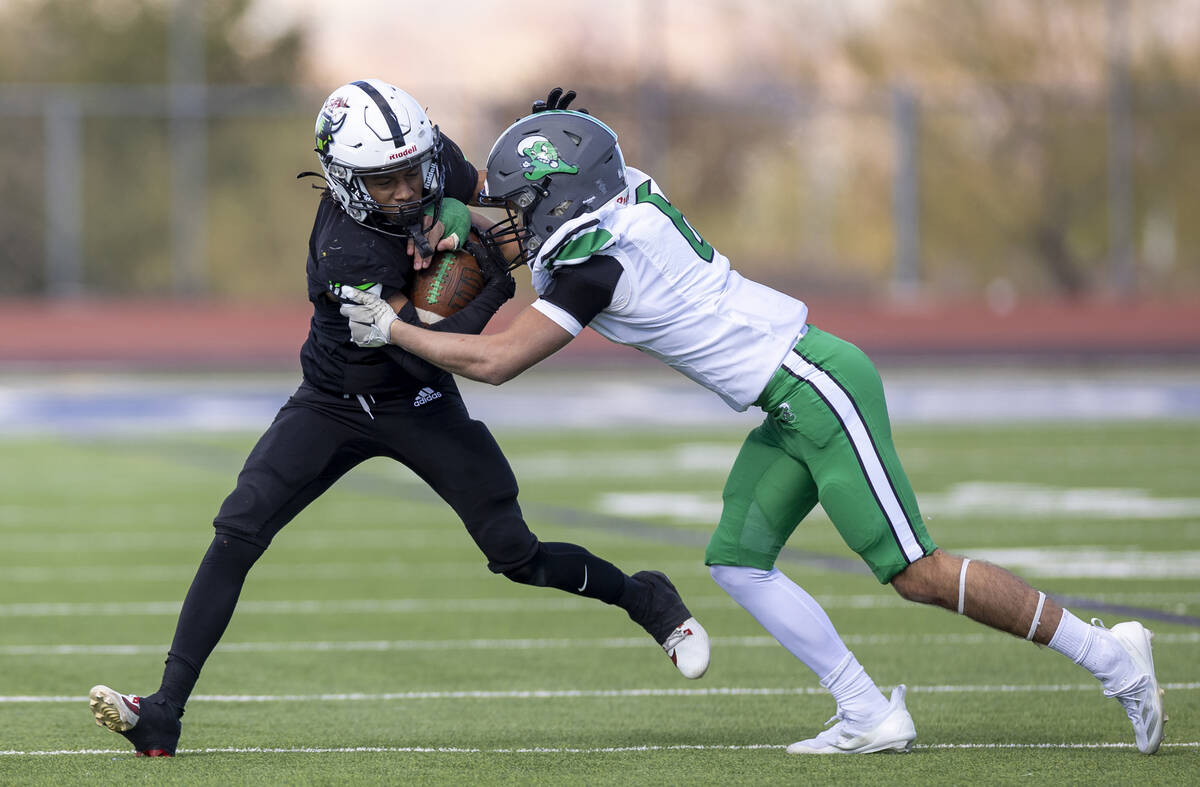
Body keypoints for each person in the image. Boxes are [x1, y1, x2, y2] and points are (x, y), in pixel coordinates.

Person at [339, 101, 1167, 755]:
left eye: (521, 205)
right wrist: (474, 191)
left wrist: (396, 329)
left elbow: (496, 362)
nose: (506, 220)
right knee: (738, 560)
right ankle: (867, 710)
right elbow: (533, 199)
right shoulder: (627, 195)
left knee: (913, 570)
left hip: (816, 385)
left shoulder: (599, 265)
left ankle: (1112, 655)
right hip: (785, 396)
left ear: (563, 198)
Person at [87, 81, 709, 758]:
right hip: (335, 399)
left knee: (515, 552)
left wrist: (552, 153)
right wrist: (488, 277)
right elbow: (422, 344)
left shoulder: (425, 154)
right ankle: (165, 711)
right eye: (387, 183)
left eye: (415, 171)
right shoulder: (344, 253)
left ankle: (644, 598)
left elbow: (505, 195)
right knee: (238, 528)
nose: (407, 189)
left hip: (419, 404)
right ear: (348, 181)